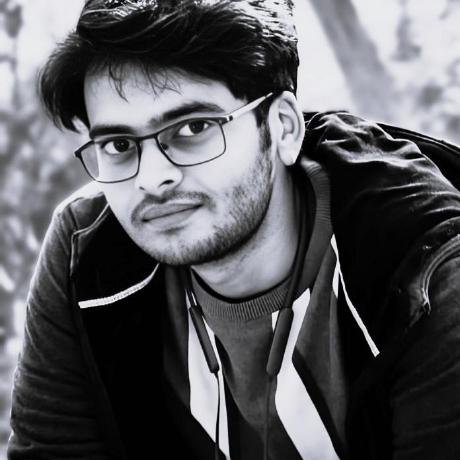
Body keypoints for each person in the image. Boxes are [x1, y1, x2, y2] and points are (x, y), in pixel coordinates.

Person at [8, 0, 460, 459]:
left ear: (283, 128)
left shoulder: (423, 267)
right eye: (119, 144)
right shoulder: (86, 253)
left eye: (193, 128)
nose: (152, 178)